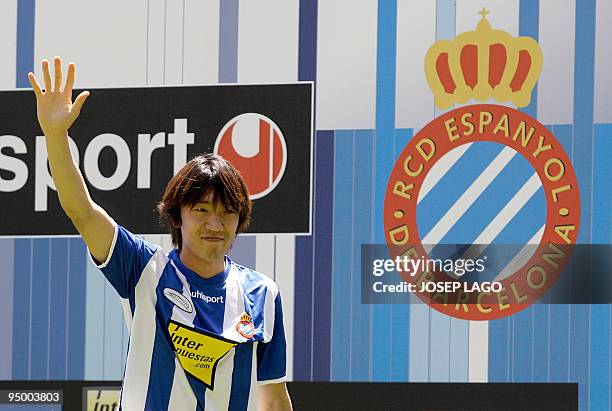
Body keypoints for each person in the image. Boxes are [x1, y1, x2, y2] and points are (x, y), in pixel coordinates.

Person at [28, 56, 293, 411]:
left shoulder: (262, 293)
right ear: (177, 216)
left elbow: (274, 400)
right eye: (201, 210)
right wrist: (55, 134)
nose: (215, 224)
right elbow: (81, 211)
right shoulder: (142, 268)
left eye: (227, 212)